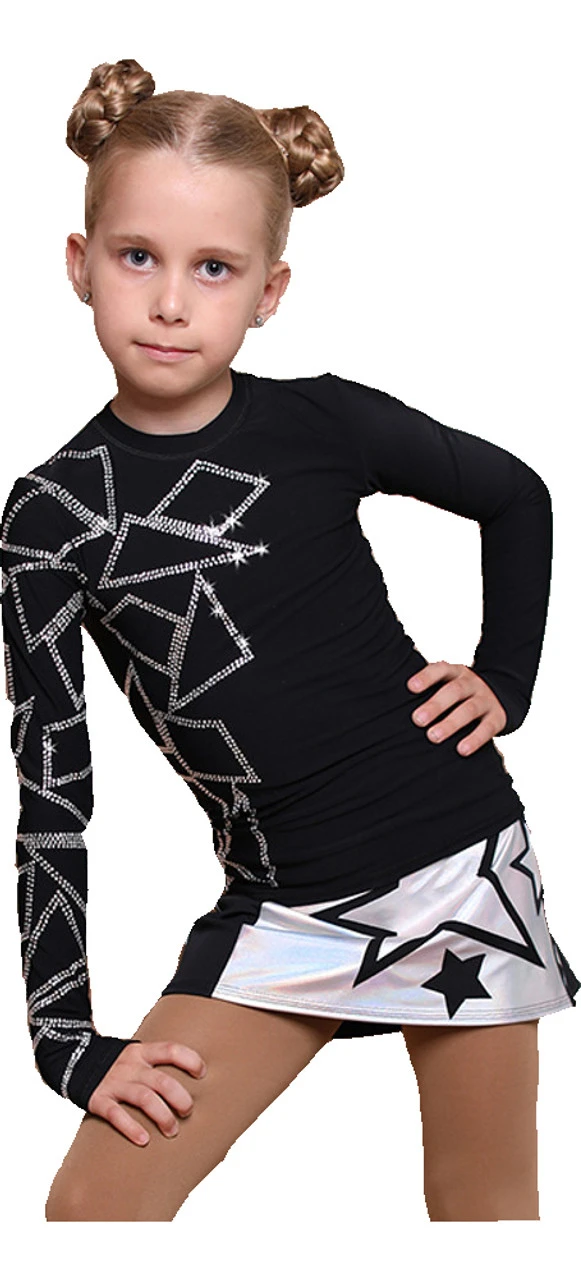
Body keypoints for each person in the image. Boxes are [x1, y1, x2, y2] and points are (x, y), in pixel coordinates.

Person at [1, 57, 578, 1223]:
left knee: (483, 1209)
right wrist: (64, 1037)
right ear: (79, 264)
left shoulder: (322, 419)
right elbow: (52, 789)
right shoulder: (49, 517)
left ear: (268, 290)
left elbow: (515, 494)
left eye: (212, 268)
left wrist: (504, 677)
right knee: (96, 1210)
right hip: (277, 909)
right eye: (137, 256)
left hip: (456, 860)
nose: (171, 301)